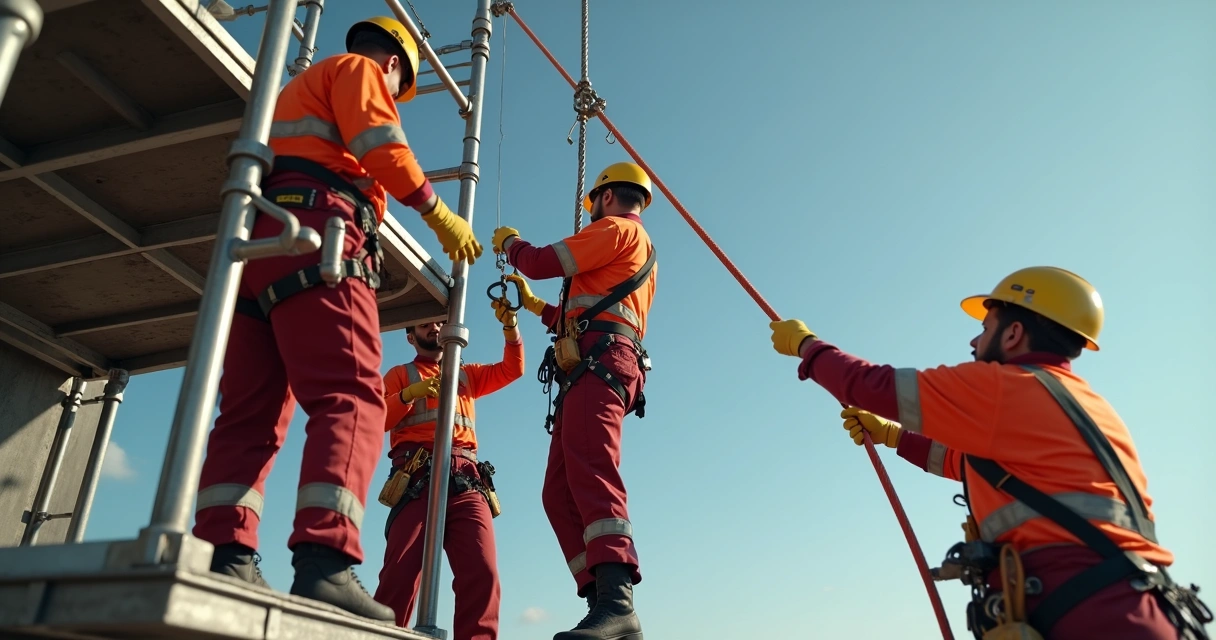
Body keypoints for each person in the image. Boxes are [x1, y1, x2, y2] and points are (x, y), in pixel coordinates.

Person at [192, 16, 481, 621]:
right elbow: (380, 144)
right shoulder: (361, 71)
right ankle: (326, 560)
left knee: (254, 409)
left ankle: (224, 553)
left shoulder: (295, 89)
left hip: (260, 241)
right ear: (396, 65)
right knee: (352, 397)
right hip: (320, 234)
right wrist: (435, 211)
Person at [768, 266, 1211, 639]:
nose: (974, 344)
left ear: (1015, 332)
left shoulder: (1006, 387)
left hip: (1085, 612)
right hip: (1134, 605)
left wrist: (808, 347)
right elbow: (977, 466)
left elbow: (872, 386)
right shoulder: (1082, 402)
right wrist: (892, 436)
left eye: (984, 328)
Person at [490, 162, 656, 640]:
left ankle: (618, 603)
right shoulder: (626, 242)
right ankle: (600, 601)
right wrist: (533, 304)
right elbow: (581, 314)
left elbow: (544, 262)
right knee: (559, 491)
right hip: (592, 361)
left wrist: (510, 246)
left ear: (604, 197)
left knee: (592, 469)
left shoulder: (616, 230)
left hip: (600, 363)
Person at [373, 299, 525, 639]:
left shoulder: (467, 375)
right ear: (410, 336)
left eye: (439, 321)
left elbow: (512, 369)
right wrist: (409, 393)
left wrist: (510, 328)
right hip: (415, 474)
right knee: (399, 573)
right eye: (424, 324)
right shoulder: (399, 375)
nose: (434, 327)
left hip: (465, 478)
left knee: (482, 572)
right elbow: (377, 417)